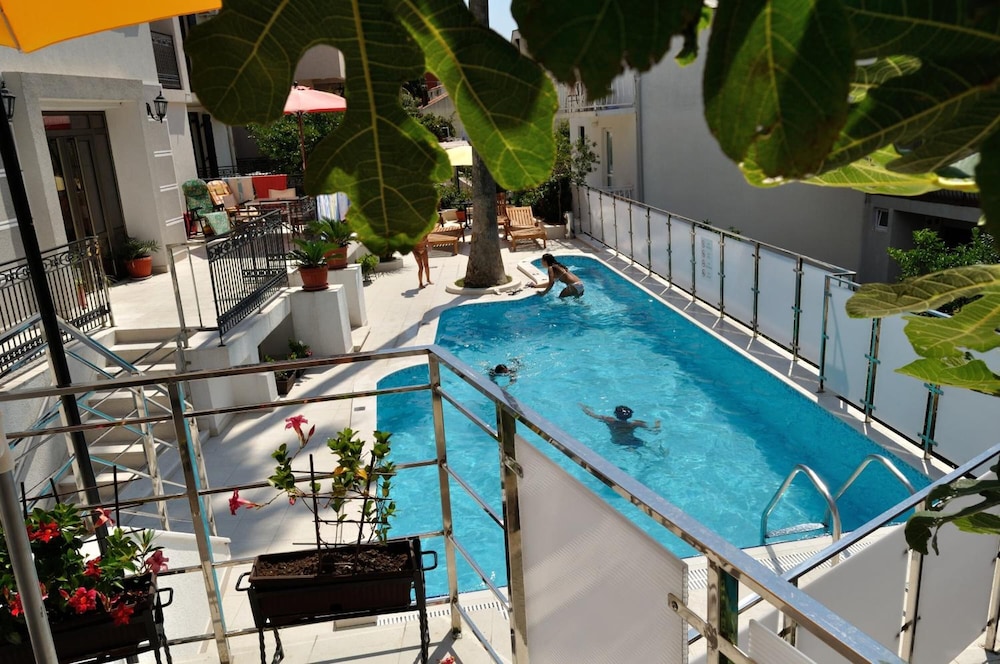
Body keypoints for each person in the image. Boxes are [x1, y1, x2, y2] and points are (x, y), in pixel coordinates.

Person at [580, 403, 660, 446]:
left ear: (615, 414)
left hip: (616, 441)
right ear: (630, 415)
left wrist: (584, 407)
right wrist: (657, 423)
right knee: (647, 446)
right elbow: (654, 431)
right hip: (631, 441)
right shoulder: (635, 424)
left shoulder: (610, 420)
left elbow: (591, 415)